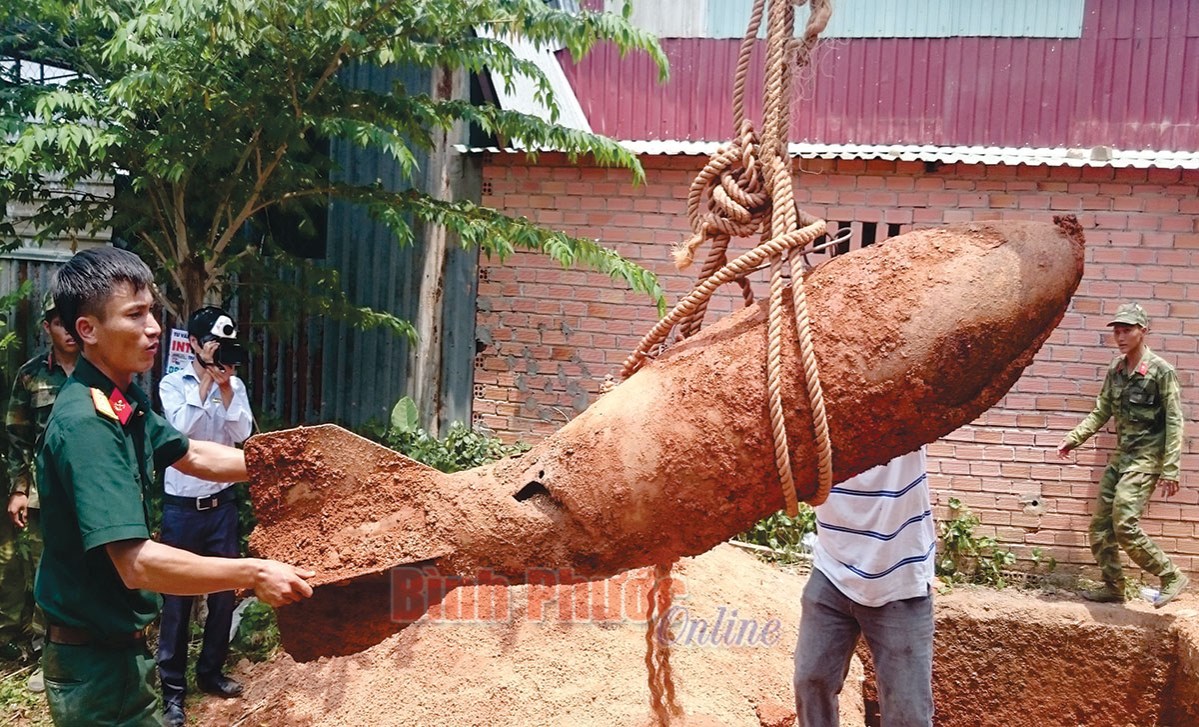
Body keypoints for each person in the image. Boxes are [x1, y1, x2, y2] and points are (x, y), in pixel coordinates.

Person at [35, 247, 314, 727]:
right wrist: (251, 573)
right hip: (96, 668)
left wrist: (293, 467)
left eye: (154, 313)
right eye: (136, 314)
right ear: (87, 330)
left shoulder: (122, 400)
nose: (155, 328)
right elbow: (136, 564)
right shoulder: (87, 425)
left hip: (118, 655)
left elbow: (195, 454)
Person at [156, 306, 254, 725]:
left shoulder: (234, 384)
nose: (221, 353)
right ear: (194, 344)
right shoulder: (172, 384)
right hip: (182, 510)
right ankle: (172, 692)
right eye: (214, 344)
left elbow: (244, 435)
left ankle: (211, 672)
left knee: (222, 595)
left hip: (222, 508)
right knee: (177, 600)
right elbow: (181, 429)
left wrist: (227, 389)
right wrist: (205, 388)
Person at [1057, 302, 1187, 607]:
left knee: (1124, 523)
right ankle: (1113, 586)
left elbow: (1174, 420)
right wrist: (1073, 439)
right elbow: (1102, 410)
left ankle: (1170, 575)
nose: (1120, 336)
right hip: (1123, 457)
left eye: (1127, 330)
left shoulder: (1160, 371)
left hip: (1147, 458)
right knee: (1100, 526)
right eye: (1116, 331)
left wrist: (1170, 469)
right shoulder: (1115, 370)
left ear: (1143, 331)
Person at [793, 447, 936, 726]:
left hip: (899, 580)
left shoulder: (905, 424)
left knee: (908, 715)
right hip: (832, 572)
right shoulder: (815, 420)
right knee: (811, 680)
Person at [0, 293, 78, 692]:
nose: (66, 328)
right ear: (47, 327)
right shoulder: (31, 376)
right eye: (57, 321)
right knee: (46, 574)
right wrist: (18, 490)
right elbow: (17, 438)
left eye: (72, 319)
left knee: (93, 572)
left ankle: (92, 654)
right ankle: (46, 655)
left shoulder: (99, 371)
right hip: (44, 496)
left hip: (89, 495)